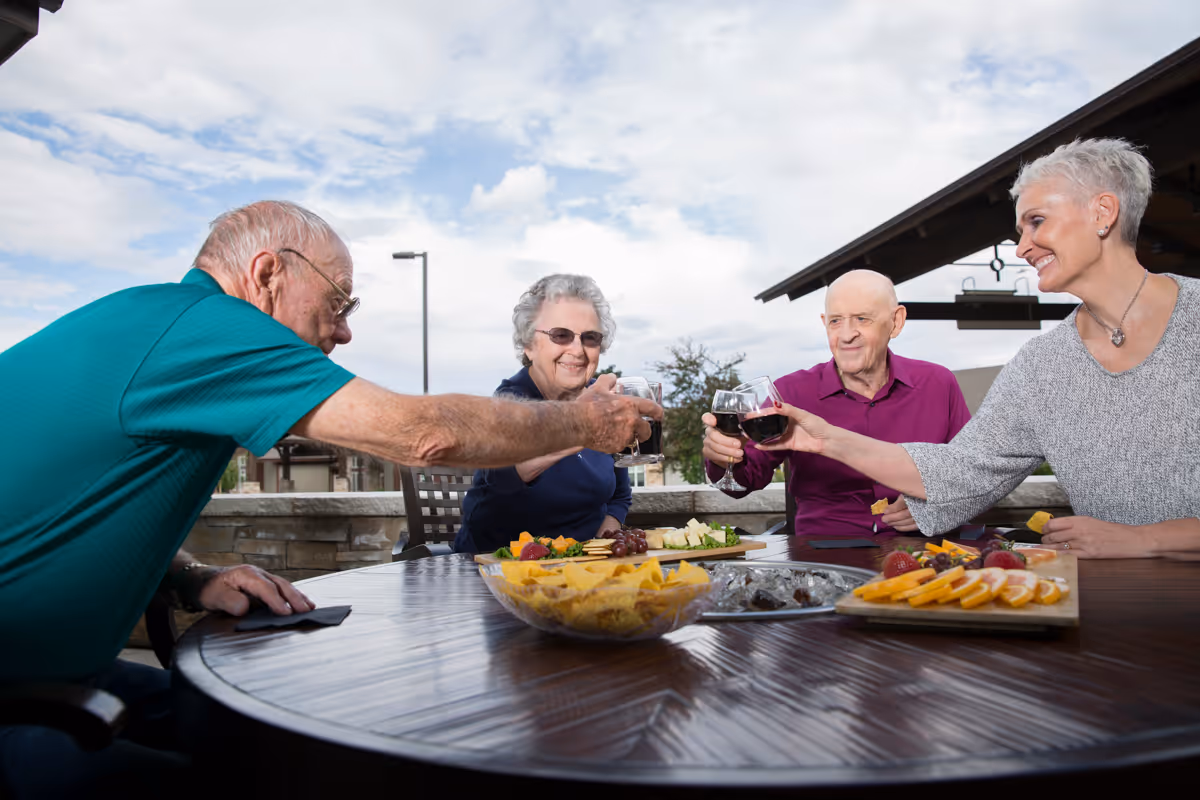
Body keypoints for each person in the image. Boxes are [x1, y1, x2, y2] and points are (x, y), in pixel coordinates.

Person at [0, 201, 658, 798]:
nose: (343, 334)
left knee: (249, 727)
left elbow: (72, 504)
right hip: (20, 701)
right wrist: (586, 426)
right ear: (267, 274)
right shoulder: (211, 328)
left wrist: (190, 576)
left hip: (63, 675)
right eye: (339, 304)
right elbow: (422, 434)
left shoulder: (152, 324)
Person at [757, 138, 1200, 558]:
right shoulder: (1041, 367)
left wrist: (1148, 540)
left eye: (1037, 221)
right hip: (1116, 612)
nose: (1022, 247)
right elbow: (961, 469)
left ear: (1103, 212)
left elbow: (1135, 541)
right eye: (1020, 229)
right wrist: (824, 438)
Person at [700, 269, 970, 535]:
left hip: (924, 552)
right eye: (836, 321)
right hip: (824, 556)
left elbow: (973, 474)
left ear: (896, 322)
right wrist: (723, 457)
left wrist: (936, 506)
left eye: (862, 319)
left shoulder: (938, 383)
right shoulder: (789, 393)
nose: (846, 334)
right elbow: (746, 480)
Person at [454, 275, 631, 554]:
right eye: (561, 335)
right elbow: (504, 482)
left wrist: (602, 547)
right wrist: (578, 422)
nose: (577, 350)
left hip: (586, 571)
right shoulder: (510, 404)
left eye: (590, 337)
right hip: (502, 573)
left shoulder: (603, 401)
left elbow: (620, 495)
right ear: (529, 345)